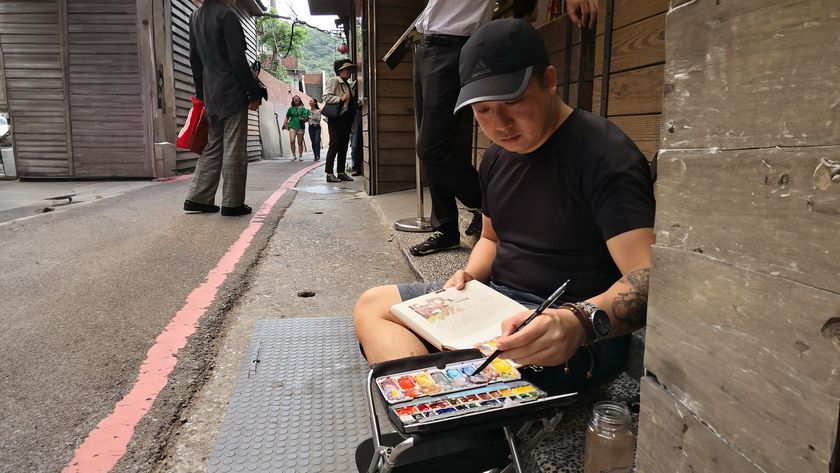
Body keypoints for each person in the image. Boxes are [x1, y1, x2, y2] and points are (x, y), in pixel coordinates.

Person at [353, 19, 655, 395]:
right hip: (493, 304)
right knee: (372, 304)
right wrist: (469, 275)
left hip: (566, 328)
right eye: (482, 110)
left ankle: (441, 403)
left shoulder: (605, 155)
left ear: (548, 80)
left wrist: (578, 322)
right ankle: (440, 401)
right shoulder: (496, 157)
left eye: (512, 102)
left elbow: (649, 277)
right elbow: (492, 239)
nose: (499, 125)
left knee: (457, 364)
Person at [406, 0, 492, 256]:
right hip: (426, 45)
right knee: (434, 144)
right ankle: (446, 229)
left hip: (454, 45)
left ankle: (484, 204)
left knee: (431, 147)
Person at [183, 0, 261, 217]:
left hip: (211, 92)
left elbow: (194, 59)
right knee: (234, 146)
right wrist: (252, 92)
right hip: (231, 90)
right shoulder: (227, 16)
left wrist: (202, 94)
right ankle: (233, 203)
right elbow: (237, 59)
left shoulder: (194, 17)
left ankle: (197, 198)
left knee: (213, 145)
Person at [322, 59, 357, 183]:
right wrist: (340, 99)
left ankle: (341, 172)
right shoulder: (335, 80)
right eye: (347, 69)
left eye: (350, 69)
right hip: (336, 118)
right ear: (340, 71)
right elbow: (326, 97)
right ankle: (329, 173)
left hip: (346, 119)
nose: (349, 72)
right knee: (334, 145)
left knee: (343, 147)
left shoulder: (347, 84)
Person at [283, 95, 309, 161]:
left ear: (300, 100)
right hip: (292, 125)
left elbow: (306, 118)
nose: (296, 100)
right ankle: (293, 155)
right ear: (293, 100)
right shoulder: (291, 108)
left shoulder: (303, 109)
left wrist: (302, 118)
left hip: (300, 126)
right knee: (292, 141)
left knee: (300, 142)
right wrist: (284, 123)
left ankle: (300, 155)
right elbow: (287, 116)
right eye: (295, 99)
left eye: (297, 99)